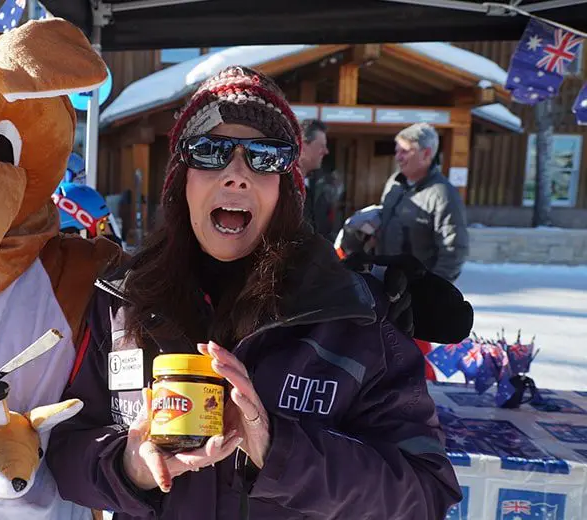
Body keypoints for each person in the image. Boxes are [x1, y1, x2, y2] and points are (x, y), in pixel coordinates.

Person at [46, 67, 462, 519]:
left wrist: (278, 450)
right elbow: (64, 450)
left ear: (285, 189)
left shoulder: (354, 316)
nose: (237, 175)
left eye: (265, 156)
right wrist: (128, 466)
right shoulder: (123, 302)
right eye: (210, 151)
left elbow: (426, 494)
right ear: (181, 181)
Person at [377, 123, 469, 283]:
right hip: (388, 284)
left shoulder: (443, 194)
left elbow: (454, 251)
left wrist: (432, 289)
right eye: (397, 151)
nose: (398, 157)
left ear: (426, 154)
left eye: (404, 151)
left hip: (417, 290)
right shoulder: (394, 184)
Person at [298, 119, 338, 240]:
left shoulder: (321, 184)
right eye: (321, 146)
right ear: (303, 147)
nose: (326, 151)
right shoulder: (279, 188)